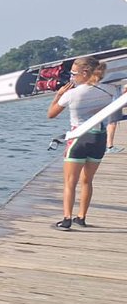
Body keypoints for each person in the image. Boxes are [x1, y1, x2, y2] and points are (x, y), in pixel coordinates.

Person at [47, 57, 117, 229]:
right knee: (88, 181)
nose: (71, 77)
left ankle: (66, 219)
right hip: (99, 139)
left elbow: (51, 114)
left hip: (78, 139)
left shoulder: (72, 94)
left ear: (84, 73)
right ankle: (81, 217)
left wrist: (58, 95)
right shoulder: (110, 89)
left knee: (70, 181)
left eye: (73, 73)